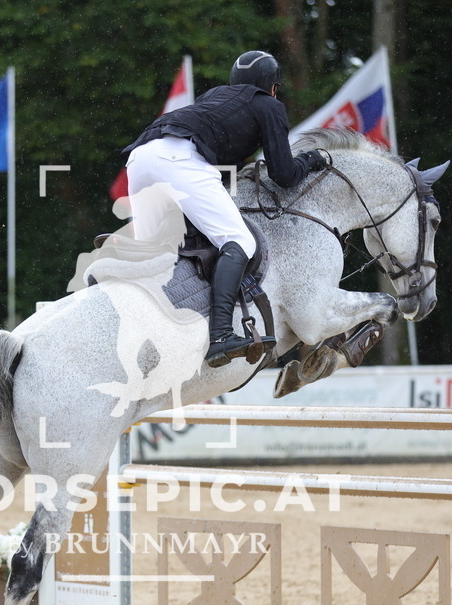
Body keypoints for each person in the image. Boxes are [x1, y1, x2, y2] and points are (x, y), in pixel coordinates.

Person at [122, 50, 326, 368]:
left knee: (154, 257)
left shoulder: (214, 96)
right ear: (272, 86)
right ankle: (219, 337)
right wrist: (310, 159)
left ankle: (133, 320)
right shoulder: (269, 105)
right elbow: (284, 175)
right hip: (179, 159)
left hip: (140, 158)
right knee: (240, 241)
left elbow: (223, 162)